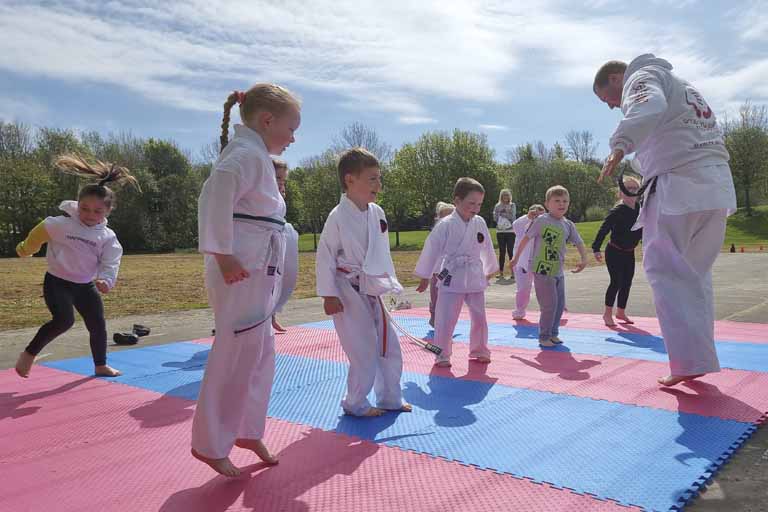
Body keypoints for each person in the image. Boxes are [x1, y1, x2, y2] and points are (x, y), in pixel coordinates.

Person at [594, 54, 736, 386]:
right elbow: (674, 133)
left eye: (608, 99)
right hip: (714, 187)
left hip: (680, 188)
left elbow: (647, 106)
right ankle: (698, 358)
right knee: (694, 275)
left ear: (617, 78)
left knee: (663, 270)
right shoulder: (683, 86)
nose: (614, 106)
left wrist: (620, 145)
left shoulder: (640, 79)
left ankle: (688, 361)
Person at [192, 84, 301, 477]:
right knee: (234, 353)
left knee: (260, 354)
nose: (293, 137)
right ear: (267, 121)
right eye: (291, 128)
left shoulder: (255, 157)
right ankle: (210, 443)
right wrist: (222, 254)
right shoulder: (242, 156)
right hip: (238, 269)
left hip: (258, 268)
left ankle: (246, 429)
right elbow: (213, 197)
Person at [14, 154, 139, 379]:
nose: (89, 215)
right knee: (64, 320)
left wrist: (106, 280)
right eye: (84, 208)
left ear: (108, 211)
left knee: (98, 325)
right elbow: (40, 232)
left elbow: (111, 261)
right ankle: (28, 355)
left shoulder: (107, 237)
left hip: (84, 285)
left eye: (97, 211)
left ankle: (100, 365)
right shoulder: (62, 225)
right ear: (77, 204)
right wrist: (25, 248)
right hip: (57, 281)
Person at [315, 147, 412, 417]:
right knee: (363, 348)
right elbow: (325, 256)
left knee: (388, 344)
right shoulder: (337, 216)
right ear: (350, 180)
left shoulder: (377, 212)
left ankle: (390, 397)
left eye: (379, 179)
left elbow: (381, 253)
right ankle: (355, 403)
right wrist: (328, 294)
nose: (379, 185)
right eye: (372, 179)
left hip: (372, 287)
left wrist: (387, 283)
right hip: (346, 288)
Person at [414, 177, 498, 368]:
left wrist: (489, 268)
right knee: (445, 319)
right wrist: (425, 276)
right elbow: (432, 249)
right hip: (452, 274)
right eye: (471, 203)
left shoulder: (480, 222)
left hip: (475, 274)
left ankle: (480, 349)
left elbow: (486, 246)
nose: (475, 208)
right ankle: (441, 354)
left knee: (479, 317)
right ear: (457, 201)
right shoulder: (445, 224)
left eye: (479, 204)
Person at [510, 186, 587, 347]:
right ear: (547, 204)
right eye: (557, 201)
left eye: (565, 201)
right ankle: (544, 336)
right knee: (549, 304)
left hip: (558, 271)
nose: (561, 204)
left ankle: (553, 333)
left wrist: (584, 258)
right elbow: (525, 239)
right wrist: (516, 258)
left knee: (559, 304)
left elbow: (579, 242)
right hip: (542, 270)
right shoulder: (541, 221)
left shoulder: (568, 224)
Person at [592, 176, 642, 327]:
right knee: (616, 282)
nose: (631, 191)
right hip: (614, 251)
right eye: (628, 188)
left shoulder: (640, 209)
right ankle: (607, 313)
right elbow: (604, 228)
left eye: (635, 188)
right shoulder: (618, 210)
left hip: (629, 252)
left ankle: (620, 311)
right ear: (620, 193)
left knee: (627, 282)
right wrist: (596, 248)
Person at [271, 158, 299, 334]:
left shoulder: (280, 194)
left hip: (282, 232)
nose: (281, 183)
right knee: (269, 280)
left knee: (286, 276)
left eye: (283, 180)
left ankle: (272, 313)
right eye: (277, 178)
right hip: (267, 236)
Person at [510, 204, 545, 320]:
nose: (537, 217)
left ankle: (549, 310)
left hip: (540, 261)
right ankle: (519, 310)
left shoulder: (545, 224)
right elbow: (515, 226)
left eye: (541, 214)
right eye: (535, 213)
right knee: (523, 288)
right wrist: (528, 217)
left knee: (545, 287)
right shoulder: (522, 224)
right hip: (523, 262)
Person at [428, 201, 456, 327]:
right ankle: (434, 315)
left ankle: (446, 319)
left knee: (449, 296)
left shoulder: (457, 233)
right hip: (436, 272)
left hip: (449, 271)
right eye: (444, 217)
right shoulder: (435, 234)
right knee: (435, 295)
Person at [493, 189, 517, 278]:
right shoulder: (497, 206)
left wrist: (502, 214)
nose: (505, 197)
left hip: (510, 231)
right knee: (502, 252)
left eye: (507, 195)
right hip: (500, 231)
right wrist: (503, 213)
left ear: (509, 196)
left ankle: (513, 273)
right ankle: (501, 272)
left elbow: (513, 217)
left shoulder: (512, 205)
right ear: (501, 196)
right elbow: (495, 218)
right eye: (504, 195)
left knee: (511, 251)